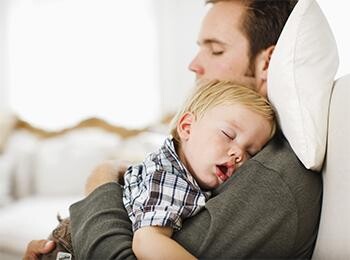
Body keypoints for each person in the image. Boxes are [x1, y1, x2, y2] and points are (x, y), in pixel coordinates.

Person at [24, 0, 323, 259]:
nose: (194, 65)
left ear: (267, 63)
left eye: (216, 50)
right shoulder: (216, 158)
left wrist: (101, 179)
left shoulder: (272, 179)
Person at [40, 80, 276, 260]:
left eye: (251, 152)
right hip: (69, 249)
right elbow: (147, 242)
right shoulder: (172, 179)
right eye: (228, 135)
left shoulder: (177, 167)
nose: (239, 154)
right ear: (186, 128)